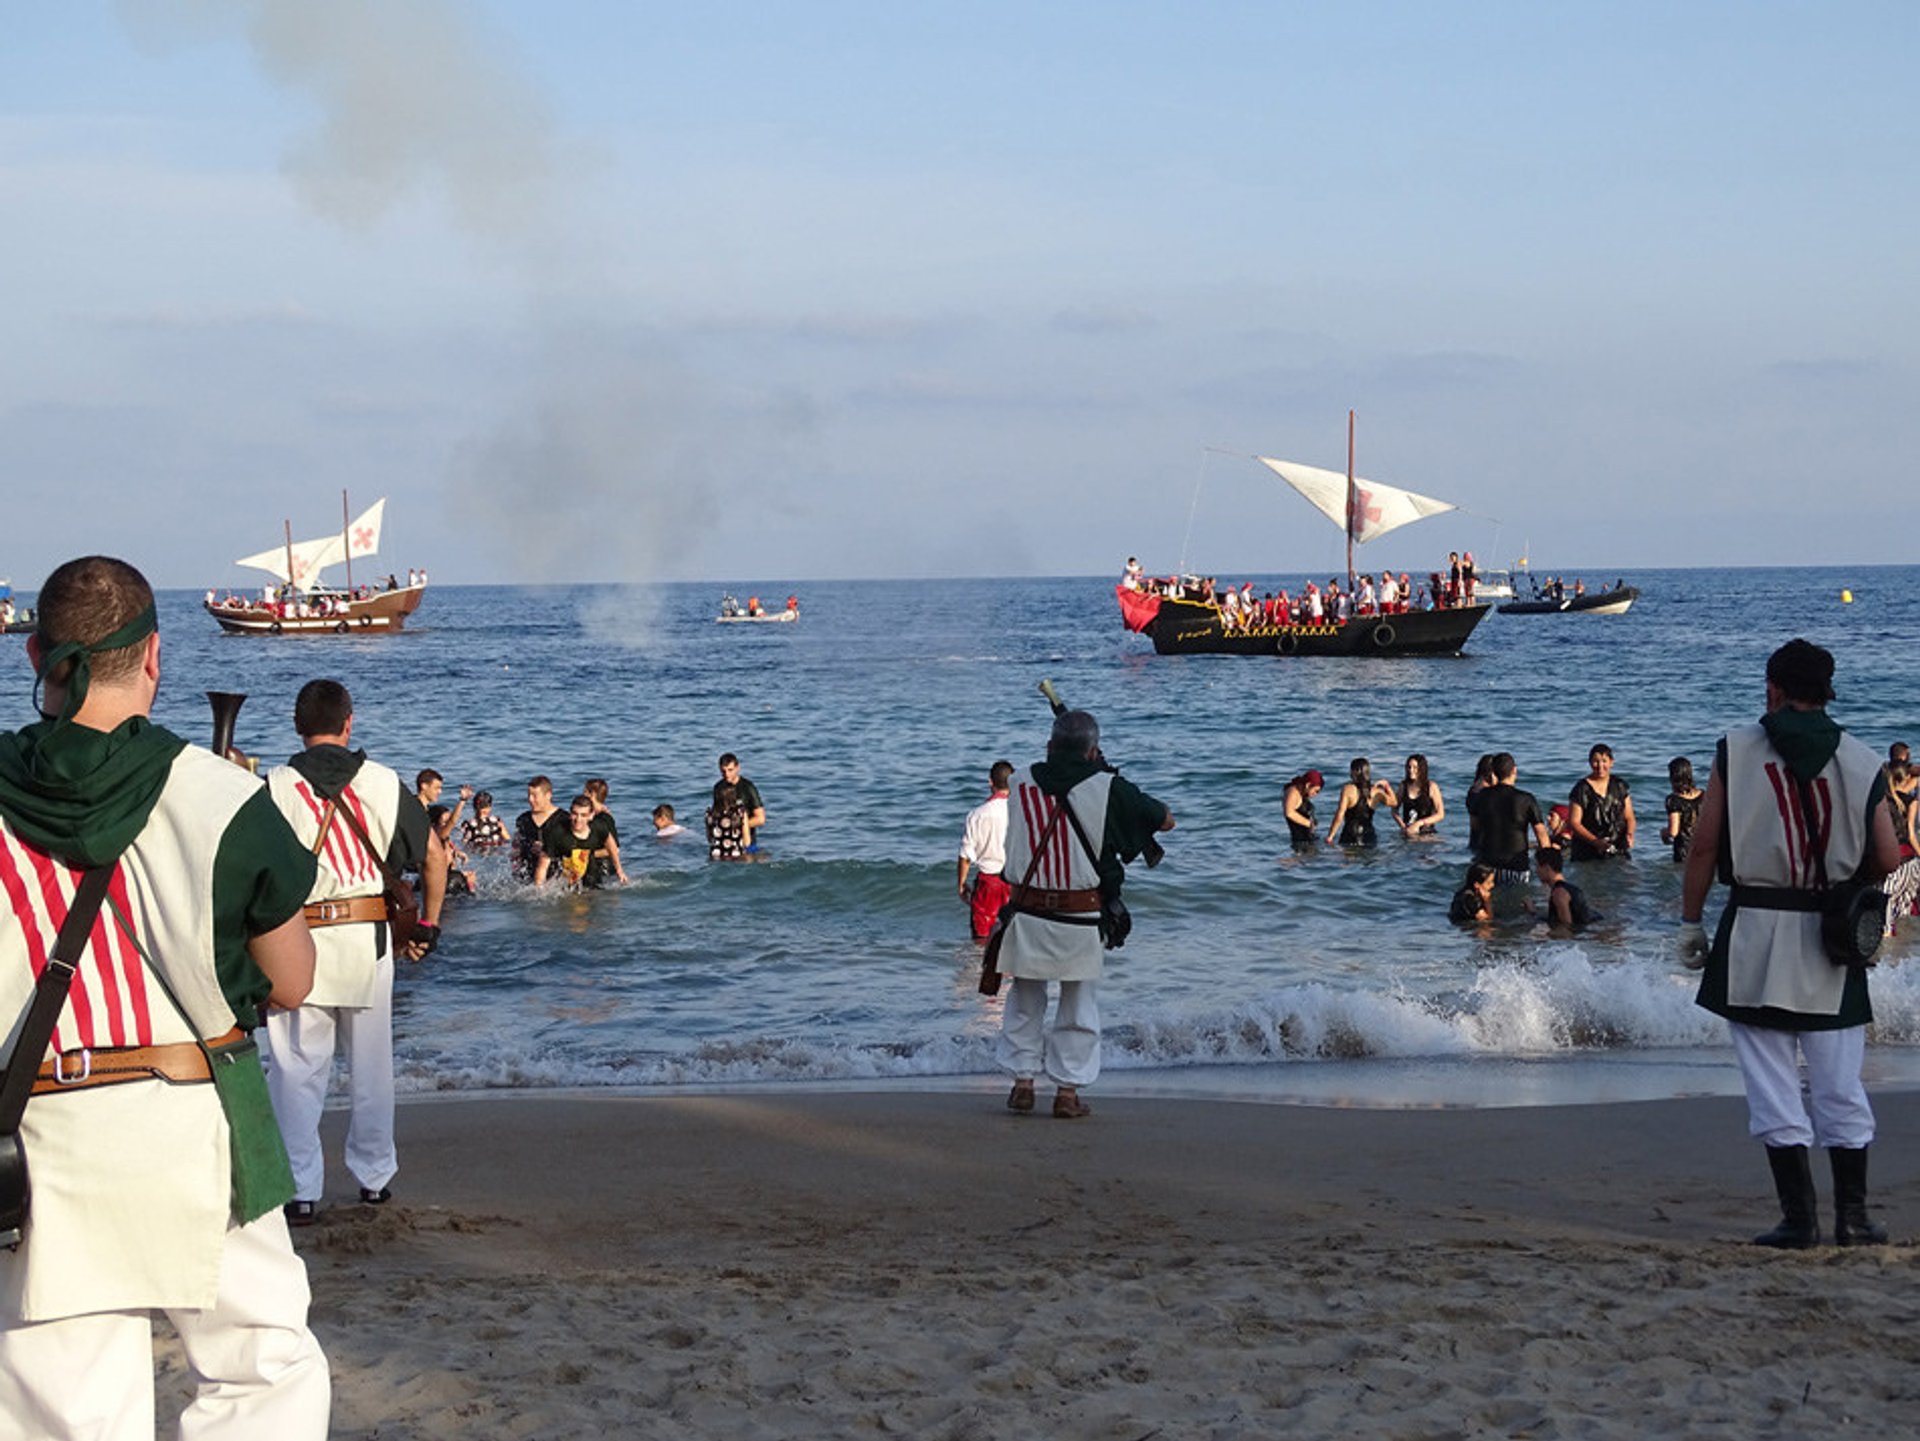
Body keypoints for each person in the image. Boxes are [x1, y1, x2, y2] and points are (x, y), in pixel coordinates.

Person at [0, 555, 330, 1435]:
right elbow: (294, 980)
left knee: (62, 1404)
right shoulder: (221, 795)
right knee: (264, 1366)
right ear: (153, 656)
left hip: (39, 1134)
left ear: (37, 654)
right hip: (193, 1125)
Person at [1679, 639, 1900, 1248]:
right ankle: (1852, 1218)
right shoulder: (1861, 761)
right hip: (1832, 940)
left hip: (1754, 931)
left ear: (1773, 688)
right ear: (1826, 693)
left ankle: (1798, 1220)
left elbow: (1702, 846)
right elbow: (1886, 857)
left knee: (1772, 1082)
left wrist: (1690, 923)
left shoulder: (1738, 749)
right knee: (1839, 1083)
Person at [263, 678, 439, 1227]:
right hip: (368, 940)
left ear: (298, 725)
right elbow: (433, 856)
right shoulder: (384, 783)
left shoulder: (275, 786)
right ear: (349, 723)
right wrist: (428, 924)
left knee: (295, 1068)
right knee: (371, 1067)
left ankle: (300, 1191)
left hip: (297, 941)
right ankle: (374, 1179)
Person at [993, 709, 1173, 1119]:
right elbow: (1165, 820)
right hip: (1080, 915)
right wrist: (1111, 778)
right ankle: (1067, 1093)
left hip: (1027, 910)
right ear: (1093, 751)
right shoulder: (1107, 787)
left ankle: (1022, 1083)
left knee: (1024, 998)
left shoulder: (1020, 781)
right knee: (1078, 1004)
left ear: (1050, 746)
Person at [1471, 753, 1550, 885]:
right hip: (1517, 866)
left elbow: (1475, 827)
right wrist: (1548, 865)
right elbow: (1541, 835)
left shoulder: (1481, 797)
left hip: (1488, 865)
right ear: (1514, 770)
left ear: (1494, 773)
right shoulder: (1526, 799)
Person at [957, 761, 1014, 941]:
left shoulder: (977, 814)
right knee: (1013, 939)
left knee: (981, 939)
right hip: (1015, 882)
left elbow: (966, 856)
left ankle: (980, 968)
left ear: (990, 782)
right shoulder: (1020, 811)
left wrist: (961, 883)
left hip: (988, 883)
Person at [536, 794, 628, 888]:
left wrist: (619, 871)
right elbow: (543, 865)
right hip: (564, 876)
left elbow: (612, 846)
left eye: (583, 815)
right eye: (575, 814)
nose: (578, 819)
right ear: (570, 814)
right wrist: (539, 890)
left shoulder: (599, 827)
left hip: (591, 872)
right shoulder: (557, 832)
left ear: (591, 816)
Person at [1566, 743, 1635, 859]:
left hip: (1617, 846)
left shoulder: (1620, 786)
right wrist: (1595, 842)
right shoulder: (1581, 789)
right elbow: (1574, 823)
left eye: (1604, 761)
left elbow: (1629, 817)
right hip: (1587, 850)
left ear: (1611, 762)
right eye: (1595, 761)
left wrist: (1630, 834)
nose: (1600, 766)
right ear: (1589, 763)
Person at [1325, 758, 1390, 847]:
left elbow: (1340, 814)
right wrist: (1387, 786)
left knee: (1349, 858)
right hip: (1369, 836)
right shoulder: (1376, 791)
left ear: (1356, 771)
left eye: (1351, 770)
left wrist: (1330, 836)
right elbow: (1394, 802)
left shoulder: (1348, 789)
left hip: (1350, 835)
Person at [512, 776, 560, 881]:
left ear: (548, 795)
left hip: (555, 878)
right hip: (527, 877)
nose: (530, 799)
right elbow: (516, 850)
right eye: (529, 795)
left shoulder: (563, 819)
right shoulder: (523, 820)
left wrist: (547, 848)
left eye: (534, 796)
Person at [1535, 846, 1592, 933]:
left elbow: (1567, 927)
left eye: (1538, 866)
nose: (1536, 871)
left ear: (1547, 868)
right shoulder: (1570, 888)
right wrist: (1533, 912)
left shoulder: (1559, 893)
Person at [714, 753, 766, 844]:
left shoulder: (748, 787)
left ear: (737, 768)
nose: (727, 774)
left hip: (746, 839)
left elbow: (760, 819)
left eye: (730, 770)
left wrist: (737, 826)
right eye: (723, 771)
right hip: (724, 840)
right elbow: (716, 813)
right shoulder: (718, 787)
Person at [1664, 757, 1705, 863]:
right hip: (1704, 848)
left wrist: (1664, 833)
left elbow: (1673, 831)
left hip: (1684, 852)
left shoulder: (1673, 800)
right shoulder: (1704, 795)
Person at [1395, 753, 1445, 837]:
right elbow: (1394, 810)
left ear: (1421, 769)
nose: (1411, 770)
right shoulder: (1403, 786)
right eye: (1409, 767)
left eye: (1415, 767)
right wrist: (1402, 826)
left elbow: (1440, 814)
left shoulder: (1431, 787)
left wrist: (1419, 823)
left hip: (1427, 832)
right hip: (1407, 832)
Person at [431, 805, 477, 895]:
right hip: (447, 882)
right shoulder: (438, 840)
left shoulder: (437, 840)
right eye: (445, 823)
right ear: (433, 825)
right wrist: (470, 883)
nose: (449, 826)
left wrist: (456, 852)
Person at [1282, 770, 1323, 851]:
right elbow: (1289, 812)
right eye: (1316, 791)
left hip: (1308, 839)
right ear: (1308, 785)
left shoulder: (1302, 793)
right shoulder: (1293, 792)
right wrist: (1308, 823)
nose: (1316, 794)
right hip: (1300, 842)